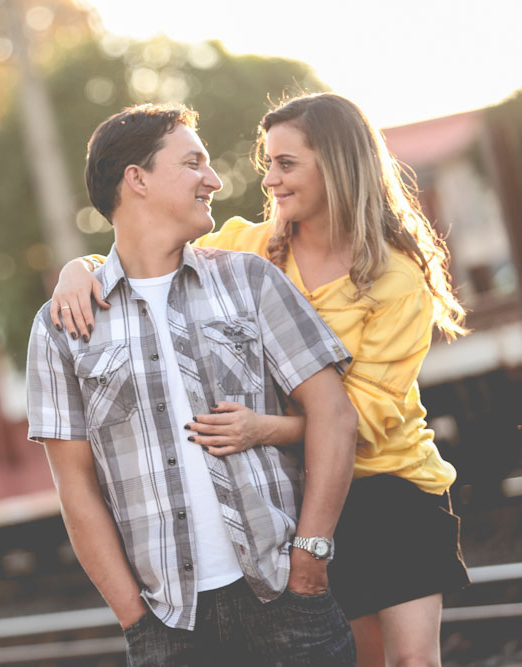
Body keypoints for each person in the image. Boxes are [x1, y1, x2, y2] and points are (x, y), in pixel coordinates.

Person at [50, 93, 470, 667]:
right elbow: (151, 253)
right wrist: (82, 269)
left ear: (338, 165)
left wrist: (264, 429)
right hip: (313, 489)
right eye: (267, 163)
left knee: (413, 661)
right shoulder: (254, 250)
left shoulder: (396, 279)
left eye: (286, 164)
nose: (268, 179)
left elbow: (366, 415)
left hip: (390, 481)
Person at [26, 102, 358, 666]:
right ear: (138, 180)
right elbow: (75, 489)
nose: (215, 179)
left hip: (286, 596)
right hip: (171, 627)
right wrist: (136, 620)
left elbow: (334, 414)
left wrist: (310, 560)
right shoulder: (62, 328)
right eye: (193, 163)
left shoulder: (249, 281)